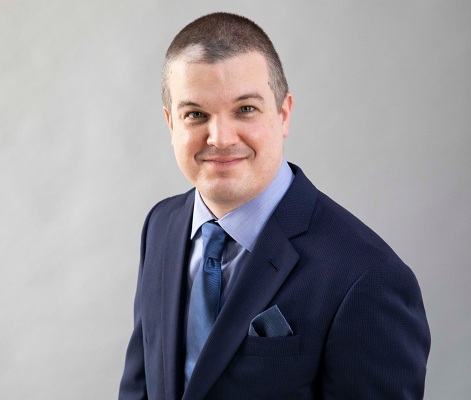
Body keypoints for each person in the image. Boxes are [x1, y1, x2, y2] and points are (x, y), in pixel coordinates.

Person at [119, 12, 430, 400]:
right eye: (195, 114)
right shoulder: (161, 226)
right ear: (171, 124)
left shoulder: (367, 277)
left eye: (245, 109)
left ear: (283, 114)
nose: (220, 138)